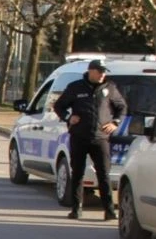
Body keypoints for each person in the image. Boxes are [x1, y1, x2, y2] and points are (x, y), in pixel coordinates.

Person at [53, 59, 127, 221]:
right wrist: (68, 117)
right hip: (79, 137)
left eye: (104, 71)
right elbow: (59, 106)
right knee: (78, 173)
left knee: (104, 175)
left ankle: (109, 211)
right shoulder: (76, 87)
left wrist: (115, 122)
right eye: (99, 71)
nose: (102, 74)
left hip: (101, 138)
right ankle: (76, 209)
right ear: (91, 71)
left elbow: (122, 107)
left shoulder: (110, 88)